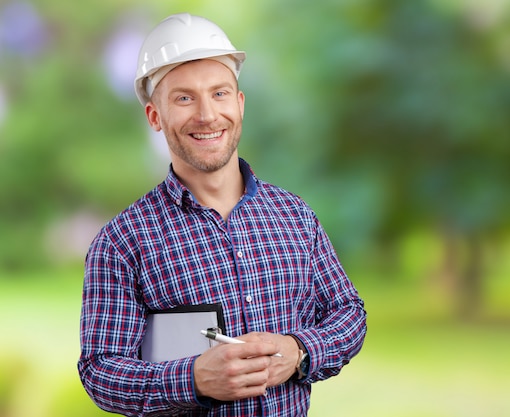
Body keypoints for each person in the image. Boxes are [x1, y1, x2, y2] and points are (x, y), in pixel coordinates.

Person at [78, 12, 367, 417]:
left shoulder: (296, 217)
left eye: (219, 93)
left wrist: (299, 351)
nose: (207, 115)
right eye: (184, 98)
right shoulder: (122, 243)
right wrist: (193, 378)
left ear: (240, 103)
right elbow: (100, 372)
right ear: (155, 117)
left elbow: (348, 314)